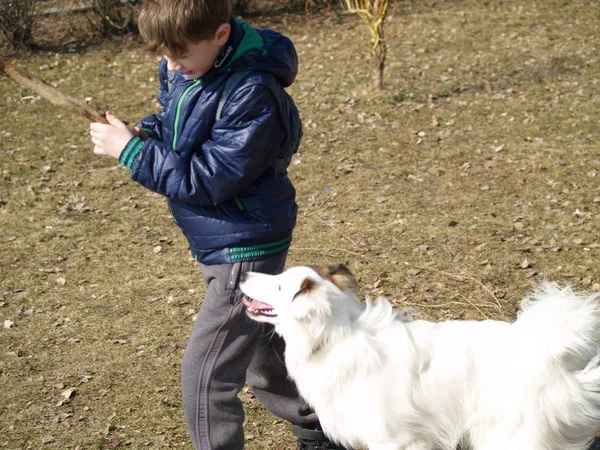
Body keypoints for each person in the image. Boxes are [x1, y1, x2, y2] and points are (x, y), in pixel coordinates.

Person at [88, 0, 347, 449]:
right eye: (163, 56)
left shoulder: (252, 92)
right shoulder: (190, 67)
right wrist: (144, 134)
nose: (170, 66)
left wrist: (132, 154)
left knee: (206, 375)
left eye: (180, 55)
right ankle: (324, 431)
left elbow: (209, 178)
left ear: (222, 35)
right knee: (261, 357)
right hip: (223, 239)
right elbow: (180, 128)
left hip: (244, 246)